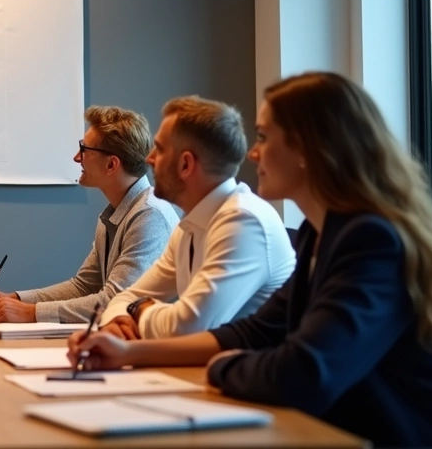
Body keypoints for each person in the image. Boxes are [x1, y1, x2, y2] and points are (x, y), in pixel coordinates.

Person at [67, 72, 432, 446]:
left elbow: (304, 373)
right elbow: (255, 331)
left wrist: (221, 367)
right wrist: (126, 353)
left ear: (308, 149)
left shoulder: (372, 241)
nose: (252, 153)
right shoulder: (319, 235)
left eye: (265, 137)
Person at [98, 96, 294, 339]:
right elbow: (125, 298)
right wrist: (119, 317)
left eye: (159, 149)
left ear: (186, 164)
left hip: (247, 373)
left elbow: (190, 326)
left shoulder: (243, 221)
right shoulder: (189, 226)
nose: (149, 159)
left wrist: (139, 309)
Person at [0, 105, 177, 323]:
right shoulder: (113, 214)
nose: (77, 158)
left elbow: (116, 302)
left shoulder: (149, 217)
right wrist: (15, 299)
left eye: (84, 149)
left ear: (111, 164)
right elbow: (84, 286)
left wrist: (31, 313)